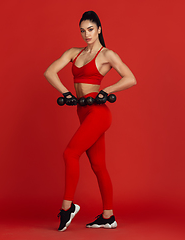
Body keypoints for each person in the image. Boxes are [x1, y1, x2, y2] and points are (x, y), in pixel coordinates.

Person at [44, 10, 136, 231]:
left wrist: (108, 89)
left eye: (91, 29)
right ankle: (108, 216)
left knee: (70, 153)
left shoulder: (107, 55)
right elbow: (49, 72)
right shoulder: (74, 53)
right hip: (82, 111)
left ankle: (67, 207)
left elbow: (131, 78)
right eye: (83, 31)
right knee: (98, 165)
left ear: (99, 29)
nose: (86, 34)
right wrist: (66, 93)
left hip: (98, 113)